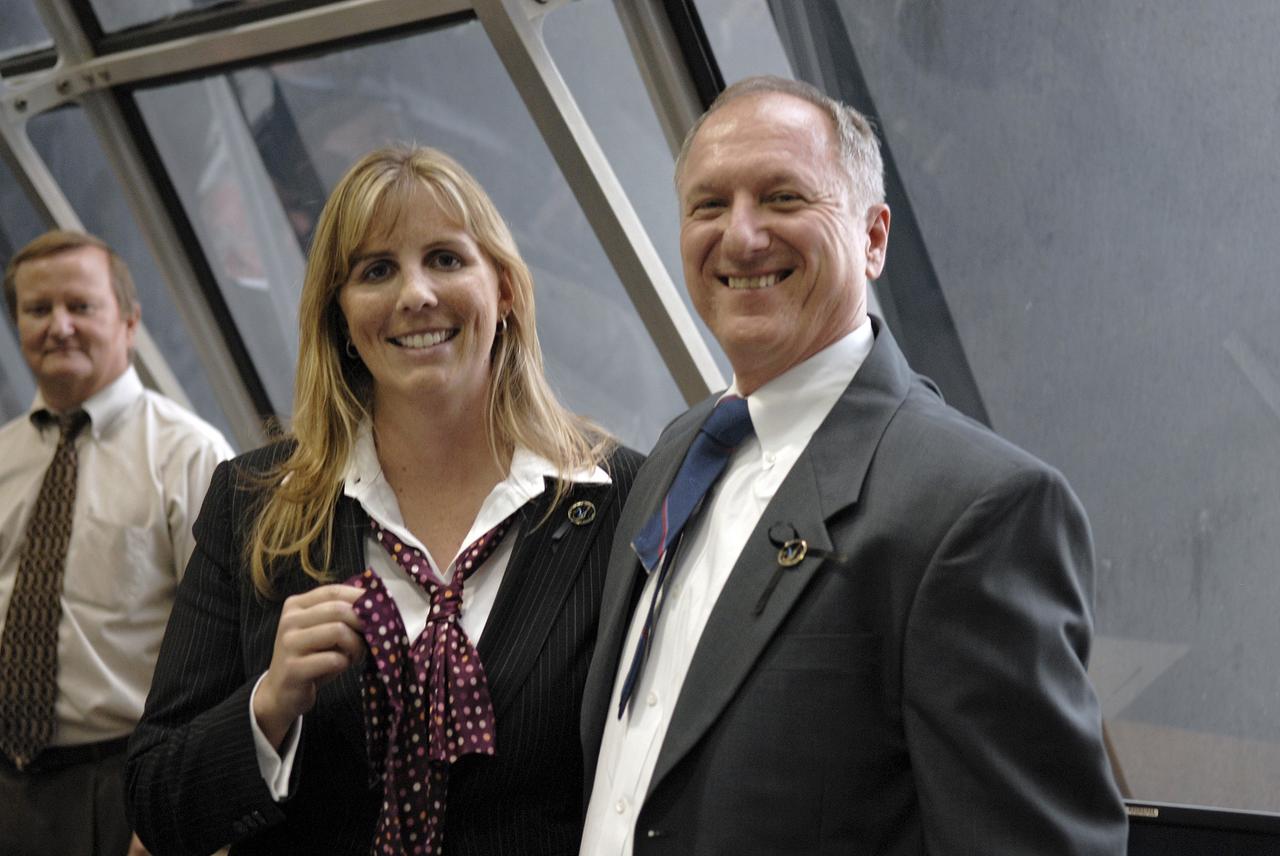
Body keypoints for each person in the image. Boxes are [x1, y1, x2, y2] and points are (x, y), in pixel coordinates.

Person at [580, 76, 1128, 854]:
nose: (740, 237)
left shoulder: (976, 511)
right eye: (709, 206)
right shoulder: (678, 450)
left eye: (782, 198)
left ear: (873, 239)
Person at [125, 145, 643, 856]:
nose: (416, 295)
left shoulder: (620, 502)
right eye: (376, 271)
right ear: (339, 315)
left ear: (505, 290)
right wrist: (268, 705)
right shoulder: (253, 504)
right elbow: (157, 801)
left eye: (446, 259)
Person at [0, 230, 234, 856]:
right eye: (37, 309)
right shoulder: (2, 458)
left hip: (130, 785)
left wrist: (189, 804)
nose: (59, 326)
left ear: (129, 322)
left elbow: (230, 647)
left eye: (80, 306)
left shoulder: (191, 455)